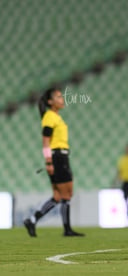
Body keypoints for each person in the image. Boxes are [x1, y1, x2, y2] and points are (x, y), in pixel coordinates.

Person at [24, 88, 84, 237]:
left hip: (58, 156)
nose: (62, 99)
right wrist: (49, 162)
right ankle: (67, 229)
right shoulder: (50, 117)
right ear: (50, 102)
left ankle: (32, 220)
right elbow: (45, 142)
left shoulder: (54, 117)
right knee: (67, 194)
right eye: (58, 97)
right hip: (57, 157)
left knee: (58, 196)